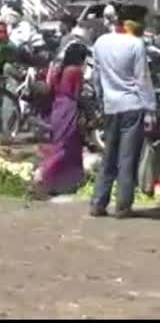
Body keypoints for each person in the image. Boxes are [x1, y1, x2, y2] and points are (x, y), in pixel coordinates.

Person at [90, 15, 156, 218]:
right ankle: (123, 206)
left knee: (108, 155)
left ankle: (98, 203)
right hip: (132, 106)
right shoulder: (135, 44)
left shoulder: (101, 42)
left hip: (111, 106)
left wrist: (101, 100)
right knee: (127, 158)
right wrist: (150, 109)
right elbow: (142, 79)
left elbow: (96, 76)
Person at [33, 43, 89, 198]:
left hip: (58, 106)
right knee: (67, 146)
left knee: (63, 143)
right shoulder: (76, 71)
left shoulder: (59, 69)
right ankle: (44, 173)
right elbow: (77, 94)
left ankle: (60, 181)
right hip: (69, 108)